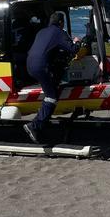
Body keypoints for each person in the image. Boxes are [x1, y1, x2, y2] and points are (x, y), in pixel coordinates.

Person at [23, 11, 78, 144]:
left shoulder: (41, 32)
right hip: (41, 68)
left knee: (53, 84)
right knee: (52, 97)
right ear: (61, 23)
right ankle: (34, 126)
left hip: (29, 65)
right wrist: (77, 41)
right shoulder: (59, 32)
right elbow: (73, 49)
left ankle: (41, 124)